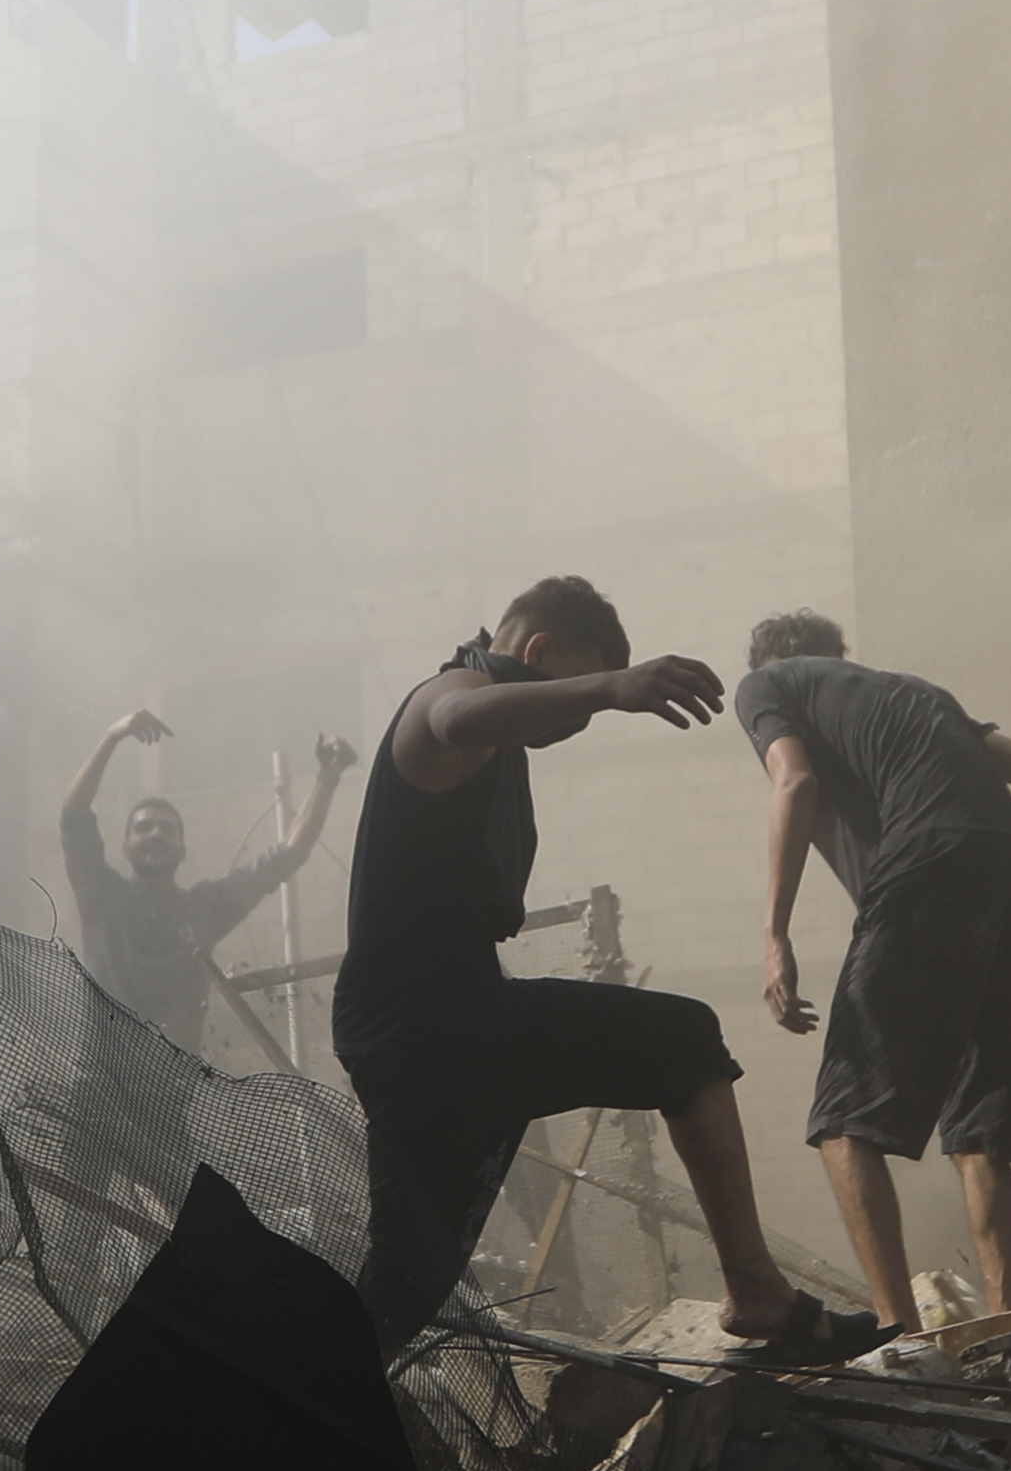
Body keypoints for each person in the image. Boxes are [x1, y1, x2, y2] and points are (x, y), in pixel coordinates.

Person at [335, 574, 869, 1358]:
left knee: (684, 1042)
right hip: (420, 1038)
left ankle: (755, 1289)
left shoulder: (494, 715)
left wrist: (596, 691)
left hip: (475, 1016)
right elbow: (454, 717)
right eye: (574, 696)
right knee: (397, 1296)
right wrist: (613, 687)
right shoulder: (450, 690)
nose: (578, 721)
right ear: (538, 650)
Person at [740, 608, 1011, 1332]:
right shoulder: (916, 695)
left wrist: (773, 935)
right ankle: (1006, 1326)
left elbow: (793, 784)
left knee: (842, 1122)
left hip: (928, 875)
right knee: (980, 1128)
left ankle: (899, 1334)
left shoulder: (768, 684)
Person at [57, 708, 353, 1055]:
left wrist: (327, 778)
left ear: (182, 851)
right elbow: (73, 816)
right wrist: (112, 736)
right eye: (143, 827)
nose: (155, 834)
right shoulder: (101, 895)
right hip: (99, 1082)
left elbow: (288, 854)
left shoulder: (204, 908)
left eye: (167, 828)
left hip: (170, 1087)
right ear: (125, 848)